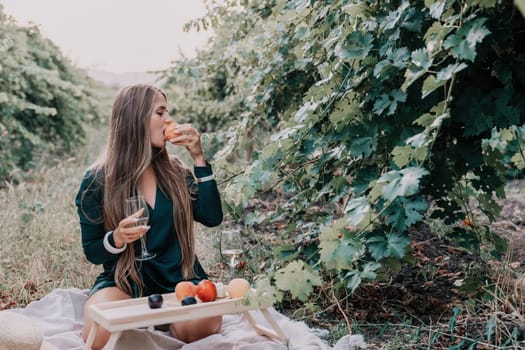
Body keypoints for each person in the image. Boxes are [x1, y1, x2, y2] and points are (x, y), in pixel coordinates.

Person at [75, 84, 223, 349]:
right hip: (124, 281)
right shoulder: (97, 180)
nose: (169, 120)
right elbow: (93, 251)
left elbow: (212, 217)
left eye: (168, 112)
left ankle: (166, 321)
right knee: (98, 335)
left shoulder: (176, 172)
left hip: (181, 280)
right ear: (136, 119)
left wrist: (199, 158)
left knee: (200, 329)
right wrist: (117, 238)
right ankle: (147, 322)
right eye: (160, 112)